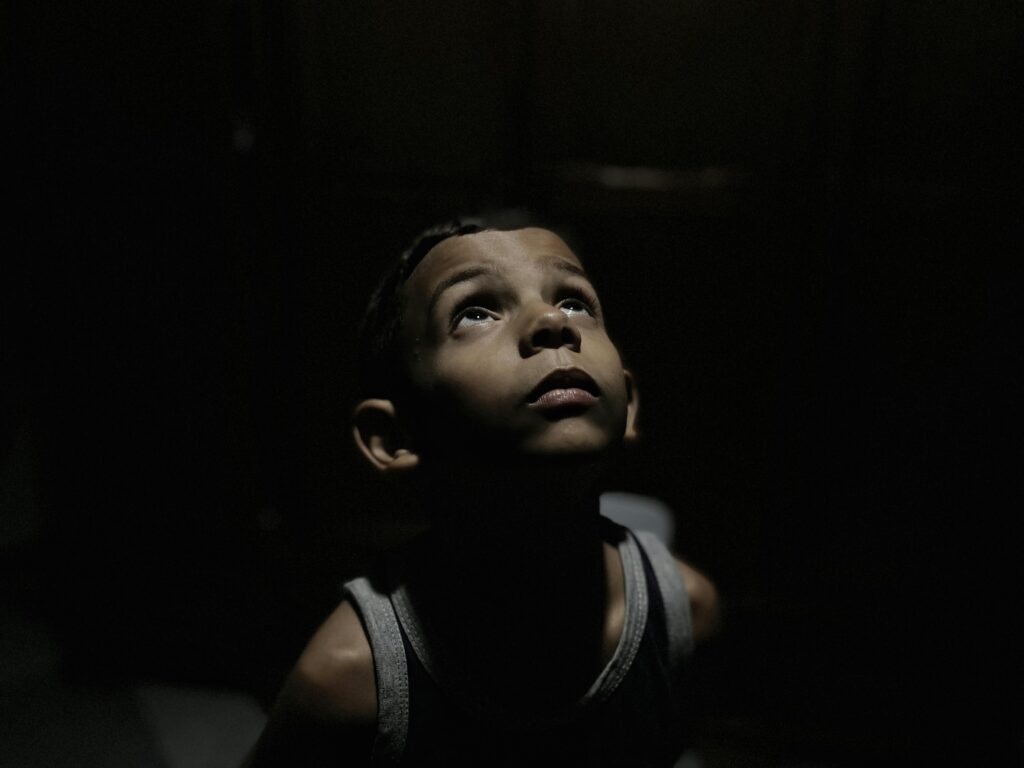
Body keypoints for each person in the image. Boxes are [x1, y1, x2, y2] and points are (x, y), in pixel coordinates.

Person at [244, 214, 719, 766]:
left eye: (575, 303)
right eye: (474, 312)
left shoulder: (685, 614)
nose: (551, 321)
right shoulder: (351, 679)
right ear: (395, 436)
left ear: (630, 405)